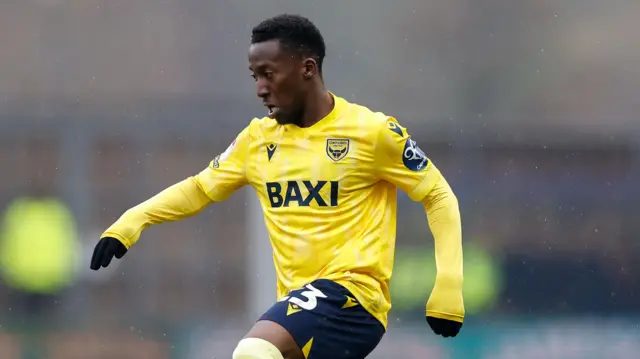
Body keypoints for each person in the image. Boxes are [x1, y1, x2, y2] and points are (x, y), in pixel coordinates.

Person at [90, 14, 464, 359]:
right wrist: (131, 221)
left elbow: (437, 194)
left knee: (253, 352)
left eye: (269, 74)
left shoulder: (373, 133)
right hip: (300, 307)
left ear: (307, 69)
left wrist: (448, 281)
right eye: (255, 76)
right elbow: (201, 188)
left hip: (353, 299)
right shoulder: (258, 140)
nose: (260, 89)